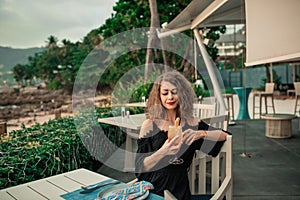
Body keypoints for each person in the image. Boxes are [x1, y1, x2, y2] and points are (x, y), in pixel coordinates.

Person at [135, 71, 230, 199]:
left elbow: (225, 135)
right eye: (165, 93)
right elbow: (140, 168)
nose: (170, 97)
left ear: (182, 94)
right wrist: (163, 151)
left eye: (174, 92)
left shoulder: (192, 124)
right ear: (158, 96)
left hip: (179, 191)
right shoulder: (150, 124)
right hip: (152, 189)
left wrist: (200, 133)